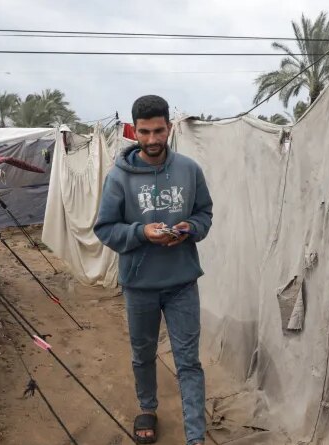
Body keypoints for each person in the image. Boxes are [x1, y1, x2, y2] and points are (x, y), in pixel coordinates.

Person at [94, 95, 213, 445]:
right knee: (142, 354)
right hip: (139, 285)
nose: (152, 139)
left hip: (182, 283)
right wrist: (141, 232)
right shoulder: (119, 177)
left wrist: (190, 228)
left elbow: (205, 214)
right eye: (144, 132)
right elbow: (105, 229)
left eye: (158, 130)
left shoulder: (189, 169)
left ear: (169, 128)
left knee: (188, 361)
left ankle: (196, 436)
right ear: (134, 131)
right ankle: (147, 407)